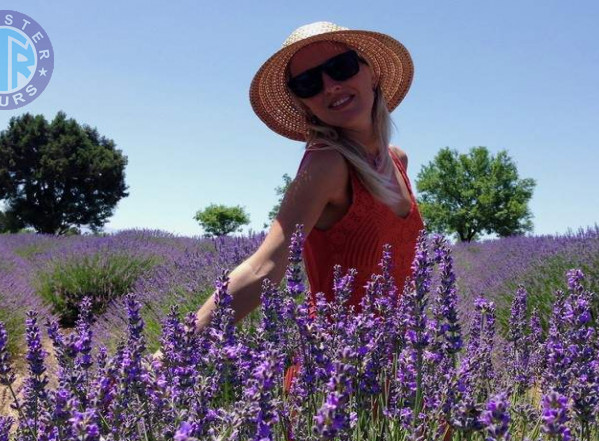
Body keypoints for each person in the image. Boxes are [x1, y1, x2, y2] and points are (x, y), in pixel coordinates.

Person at [156, 21, 424, 356]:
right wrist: (170, 354)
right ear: (304, 104)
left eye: (341, 67)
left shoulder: (398, 160)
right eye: (308, 83)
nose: (330, 86)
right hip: (336, 375)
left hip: (403, 370)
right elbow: (264, 266)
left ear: (370, 73)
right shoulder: (328, 164)